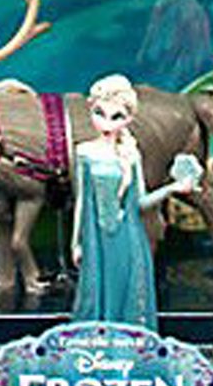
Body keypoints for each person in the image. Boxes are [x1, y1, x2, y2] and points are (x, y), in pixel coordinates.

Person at [71, 75, 195, 330]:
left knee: (126, 296)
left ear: (128, 119)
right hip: (96, 240)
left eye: (116, 116)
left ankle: (125, 348)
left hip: (128, 238)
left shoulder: (131, 155)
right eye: (99, 113)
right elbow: (82, 199)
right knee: (94, 295)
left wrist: (172, 188)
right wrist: (76, 242)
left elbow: (141, 202)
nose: (106, 123)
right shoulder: (84, 151)